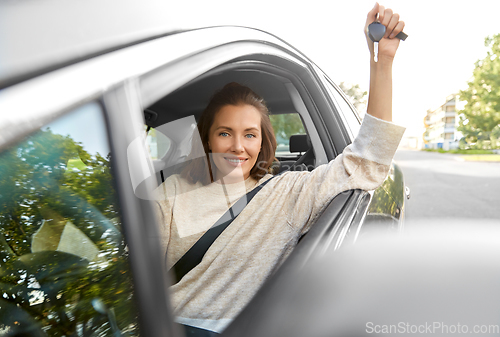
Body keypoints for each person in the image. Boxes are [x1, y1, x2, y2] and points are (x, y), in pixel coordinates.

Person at [155, 3, 406, 335]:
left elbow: (368, 160)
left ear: (263, 142)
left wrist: (382, 62)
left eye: (250, 134)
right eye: (225, 133)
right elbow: (135, 271)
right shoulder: (171, 189)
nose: (237, 146)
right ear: (208, 139)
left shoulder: (286, 192)